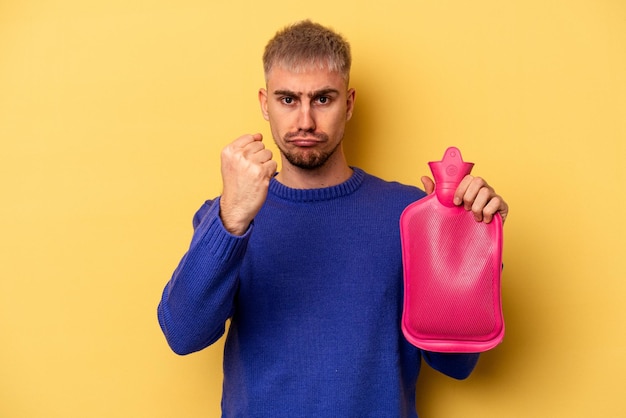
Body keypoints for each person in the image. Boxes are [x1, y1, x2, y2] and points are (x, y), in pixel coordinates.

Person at [157, 20, 509, 417]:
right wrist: (233, 221)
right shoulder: (226, 218)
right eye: (287, 100)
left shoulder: (408, 214)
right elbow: (183, 334)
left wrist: (473, 246)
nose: (305, 121)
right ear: (263, 103)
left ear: (350, 102)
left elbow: (455, 365)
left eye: (323, 99)